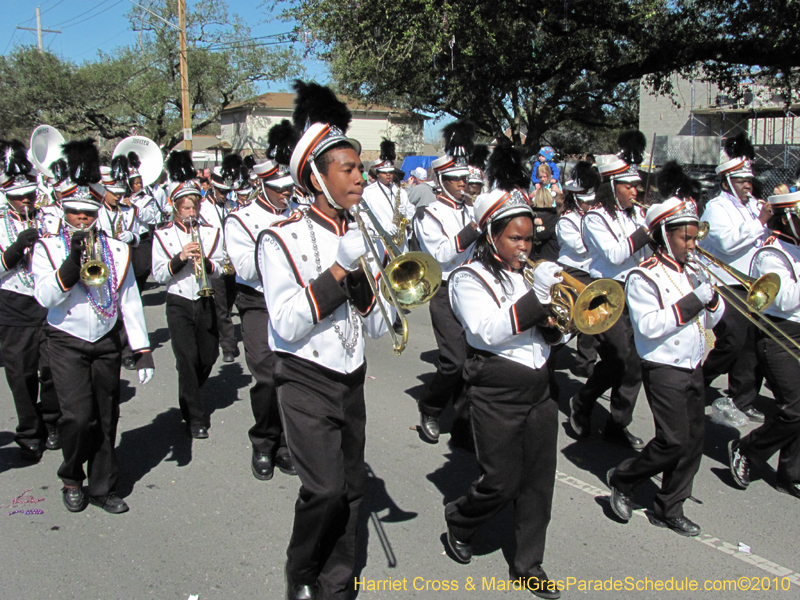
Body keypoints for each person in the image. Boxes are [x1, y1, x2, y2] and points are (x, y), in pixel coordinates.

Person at [258, 80, 393, 600]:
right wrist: (340, 269)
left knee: (352, 490)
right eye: (349, 169)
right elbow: (288, 325)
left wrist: (370, 284)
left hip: (351, 376)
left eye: (360, 168)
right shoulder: (280, 238)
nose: (361, 177)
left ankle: (336, 585)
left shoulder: (365, 235)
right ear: (317, 176)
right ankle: (301, 568)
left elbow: (379, 327)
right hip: (305, 377)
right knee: (324, 489)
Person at [446, 186, 565, 600]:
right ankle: (461, 520)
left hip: (539, 387)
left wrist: (557, 327)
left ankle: (528, 564)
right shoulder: (467, 278)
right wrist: (540, 300)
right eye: (515, 238)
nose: (524, 246)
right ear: (492, 235)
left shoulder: (530, 275)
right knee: (500, 480)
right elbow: (487, 331)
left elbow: (548, 337)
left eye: (529, 238)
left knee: (538, 483)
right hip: (496, 388)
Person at [32, 139, 154, 514]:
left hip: (105, 339)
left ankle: (103, 486)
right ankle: (71, 476)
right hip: (66, 339)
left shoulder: (117, 249)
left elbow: (129, 299)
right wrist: (70, 264)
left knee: (106, 415)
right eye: (75, 214)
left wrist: (143, 348)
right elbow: (44, 297)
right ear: (64, 212)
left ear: (97, 213)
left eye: (88, 214)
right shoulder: (48, 248)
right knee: (77, 417)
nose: (82, 220)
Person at [607, 192, 724, 537]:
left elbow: (713, 321)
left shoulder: (694, 271)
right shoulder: (644, 276)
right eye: (685, 238)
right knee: (673, 440)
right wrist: (694, 301)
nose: (692, 244)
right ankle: (625, 478)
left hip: (693, 364)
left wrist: (713, 301)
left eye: (693, 237)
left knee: (693, 442)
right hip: (663, 366)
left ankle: (669, 507)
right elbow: (649, 326)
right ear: (664, 235)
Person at [225, 119, 299, 481]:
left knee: (293, 375)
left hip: (294, 300)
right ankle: (264, 441)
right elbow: (244, 268)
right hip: (257, 302)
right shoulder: (241, 219)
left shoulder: (298, 212)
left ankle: (287, 443)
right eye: (279, 189)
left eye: (289, 187)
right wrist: (279, 244)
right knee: (267, 377)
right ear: (262, 185)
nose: (286, 194)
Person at [569, 131, 652, 450]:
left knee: (634, 362)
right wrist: (646, 232)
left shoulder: (640, 214)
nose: (637, 190)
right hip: (606, 291)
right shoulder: (594, 218)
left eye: (636, 184)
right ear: (613, 186)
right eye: (630, 185)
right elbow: (616, 255)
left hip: (639, 290)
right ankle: (584, 401)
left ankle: (617, 423)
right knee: (620, 358)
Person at [728, 189, 800, 500]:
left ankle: (791, 473)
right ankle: (747, 448)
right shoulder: (770, 254)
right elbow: (783, 300)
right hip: (778, 333)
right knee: (795, 408)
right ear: (788, 219)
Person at [413, 119, 480, 446]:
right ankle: (430, 406)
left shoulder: (472, 208)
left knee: (475, 358)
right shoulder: (430, 213)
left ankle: (465, 420)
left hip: (474, 287)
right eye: (454, 180)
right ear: (440, 180)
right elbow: (440, 255)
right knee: (453, 361)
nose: (462, 185)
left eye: (464, 179)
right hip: (445, 288)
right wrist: (473, 230)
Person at [152, 151, 224, 440]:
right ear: (175, 208)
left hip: (205, 298)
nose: (190, 213)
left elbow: (221, 267)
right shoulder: (162, 235)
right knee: (185, 358)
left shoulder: (211, 232)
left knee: (207, 356)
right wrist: (180, 256)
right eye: (185, 208)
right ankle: (196, 417)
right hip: (179, 301)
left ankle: (188, 394)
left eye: (193, 207)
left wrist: (206, 261)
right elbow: (159, 274)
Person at [700, 133, 770, 427]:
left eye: (748, 180)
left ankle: (742, 398)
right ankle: (701, 378)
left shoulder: (754, 205)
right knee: (731, 340)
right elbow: (728, 244)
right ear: (728, 180)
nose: (747, 184)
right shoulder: (717, 207)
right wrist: (761, 223)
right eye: (742, 180)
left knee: (752, 344)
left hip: (753, 283)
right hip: (725, 281)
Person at [0, 139, 61, 461]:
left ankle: (51, 420)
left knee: (52, 369)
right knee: (20, 374)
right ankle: (28, 430)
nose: (25, 202)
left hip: (47, 303)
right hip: (12, 305)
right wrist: (14, 250)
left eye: (29, 196)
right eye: (18, 198)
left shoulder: (50, 217)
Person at [556, 161, 600, 377]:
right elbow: (581, 247)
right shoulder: (567, 220)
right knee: (568, 319)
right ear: (575, 198)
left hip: (593, 272)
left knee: (590, 319)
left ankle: (586, 362)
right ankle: (550, 347)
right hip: (573, 270)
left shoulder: (596, 216)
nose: (589, 205)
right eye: (584, 201)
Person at [203, 157, 241, 363]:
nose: (225, 196)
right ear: (212, 187)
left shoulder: (231, 205)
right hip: (215, 262)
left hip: (232, 262)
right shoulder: (202, 209)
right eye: (222, 192)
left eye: (227, 192)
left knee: (228, 303)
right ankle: (228, 345)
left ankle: (219, 333)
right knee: (220, 306)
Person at [362, 139, 414, 247]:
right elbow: (363, 217)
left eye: (390, 172)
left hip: (400, 244)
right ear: (378, 174)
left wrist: (406, 215)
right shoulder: (368, 192)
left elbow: (411, 211)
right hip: (380, 243)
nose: (388, 175)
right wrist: (381, 226)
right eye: (385, 173)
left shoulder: (401, 192)